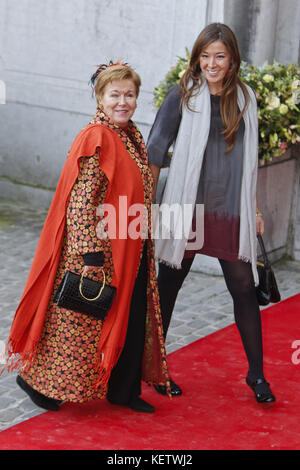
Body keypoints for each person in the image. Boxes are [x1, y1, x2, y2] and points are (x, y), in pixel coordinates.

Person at [3, 62, 170, 413]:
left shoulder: (128, 133)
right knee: (79, 327)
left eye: (129, 94)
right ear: (100, 97)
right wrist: (89, 254)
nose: (122, 101)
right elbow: (80, 200)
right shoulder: (97, 137)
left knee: (131, 316)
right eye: (115, 95)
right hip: (100, 252)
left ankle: (124, 391)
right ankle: (42, 387)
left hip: (131, 243)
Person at [147, 23, 275, 403]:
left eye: (219, 56)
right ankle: (154, 368)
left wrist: (253, 209)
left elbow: (248, 162)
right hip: (186, 208)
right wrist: (147, 207)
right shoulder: (183, 95)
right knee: (167, 288)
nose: (211, 63)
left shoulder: (246, 98)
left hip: (227, 208)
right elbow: (155, 151)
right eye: (205, 56)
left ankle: (257, 376)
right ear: (196, 58)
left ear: (233, 58)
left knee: (243, 288)